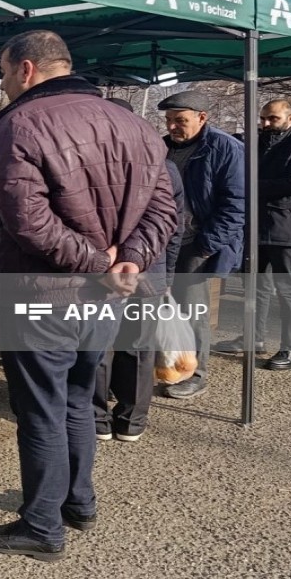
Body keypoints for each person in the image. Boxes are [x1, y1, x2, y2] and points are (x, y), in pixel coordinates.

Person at [0, 31, 177, 562]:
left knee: (42, 408)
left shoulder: (21, 124)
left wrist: (104, 260)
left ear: (27, 69)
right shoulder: (135, 124)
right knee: (81, 399)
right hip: (105, 294)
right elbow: (164, 210)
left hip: (44, 290)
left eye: (3, 69)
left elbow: (26, 221)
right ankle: (77, 502)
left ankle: (42, 526)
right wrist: (128, 258)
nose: (2, 80)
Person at [93, 98, 185, 443]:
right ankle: (130, 422)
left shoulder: (92, 164)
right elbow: (175, 228)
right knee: (138, 346)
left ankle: (97, 418)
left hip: (104, 270)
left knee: (98, 346)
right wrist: (168, 276)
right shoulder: (163, 164)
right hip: (149, 269)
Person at [215, 99, 291, 370]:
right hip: (256, 225)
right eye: (263, 118)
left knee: (289, 291)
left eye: (272, 119)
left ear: (290, 118)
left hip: (289, 228)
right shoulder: (260, 141)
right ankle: (254, 338)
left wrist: (250, 186)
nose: (265, 124)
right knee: (254, 287)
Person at [157, 90, 245, 400]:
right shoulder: (163, 147)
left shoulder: (226, 148)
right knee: (162, 309)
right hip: (163, 242)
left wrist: (206, 246)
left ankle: (197, 372)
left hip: (197, 244)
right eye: (168, 121)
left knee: (192, 310)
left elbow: (236, 205)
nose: (172, 127)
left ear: (202, 117)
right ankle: (168, 363)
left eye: (180, 121)